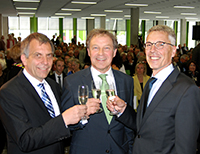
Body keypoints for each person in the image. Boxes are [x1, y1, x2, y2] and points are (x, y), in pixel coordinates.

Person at [107, 25, 200, 154]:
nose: (153, 50)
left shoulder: (187, 90)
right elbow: (143, 126)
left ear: (173, 51)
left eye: (160, 44)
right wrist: (123, 110)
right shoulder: (151, 82)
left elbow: (185, 147)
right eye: (149, 44)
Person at [0, 32, 87, 154]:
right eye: (38, 55)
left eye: (49, 56)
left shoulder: (53, 86)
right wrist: (64, 119)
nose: (45, 62)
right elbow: (25, 140)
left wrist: (80, 115)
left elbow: (60, 129)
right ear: (24, 59)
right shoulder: (9, 92)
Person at [61, 29, 135, 154]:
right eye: (95, 48)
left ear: (114, 52)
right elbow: (64, 127)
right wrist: (83, 114)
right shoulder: (72, 82)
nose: (101, 53)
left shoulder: (127, 81)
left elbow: (130, 124)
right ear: (89, 52)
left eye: (106, 48)